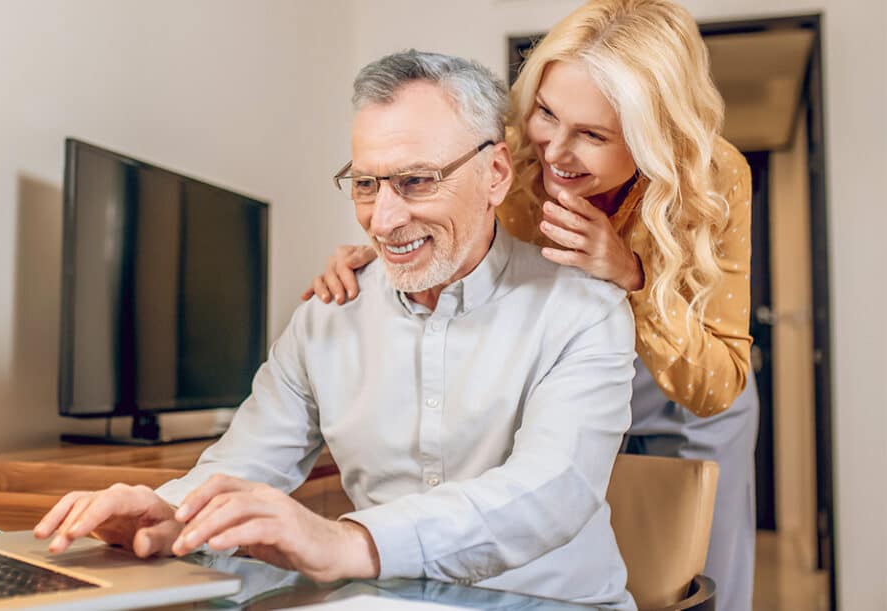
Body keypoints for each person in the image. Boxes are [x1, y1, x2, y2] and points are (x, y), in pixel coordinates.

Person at [35, 50, 639, 609]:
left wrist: (350, 543)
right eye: (366, 183)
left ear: (496, 174)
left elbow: (552, 488)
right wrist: (170, 512)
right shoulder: (326, 318)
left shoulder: (583, 308)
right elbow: (249, 461)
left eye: (416, 181)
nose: (385, 218)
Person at [303, 1, 759, 609]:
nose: (553, 151)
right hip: (559, 371)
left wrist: (631, 275)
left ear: (654, 141)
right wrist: (389, 249)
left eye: (593, 134)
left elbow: (719, 383)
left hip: (680, 388)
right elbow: (442, 221)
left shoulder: (711, 174)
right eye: (546, 112)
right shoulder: (509, 152)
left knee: (694, 583)